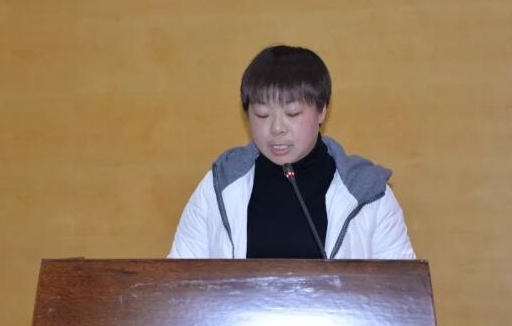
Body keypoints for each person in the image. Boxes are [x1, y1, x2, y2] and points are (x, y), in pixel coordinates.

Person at [168, 45, 415, 260]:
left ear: (322, 110)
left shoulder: (368, 193)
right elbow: (179, 281)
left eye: (292, 113)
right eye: (262, 115)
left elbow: (401, 291)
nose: (276, 128)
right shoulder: (219, 185)